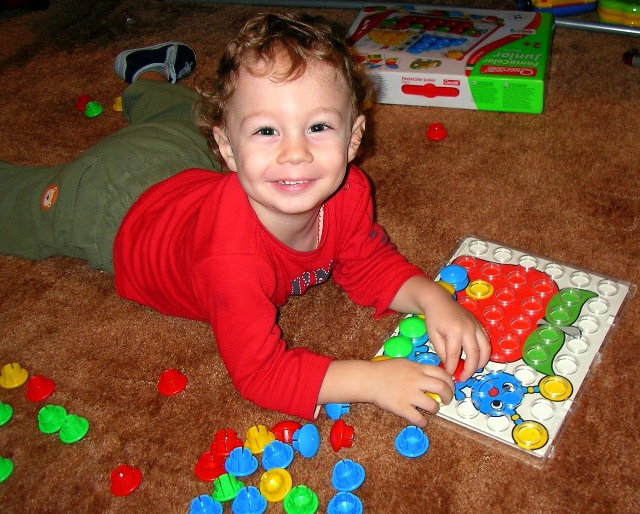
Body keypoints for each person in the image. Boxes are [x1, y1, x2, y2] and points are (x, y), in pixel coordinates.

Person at [0, 12, 490, 427]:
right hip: (106, 206)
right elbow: (260, 374)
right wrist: (370, 379)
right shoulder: (231, 260)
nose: (295, 153)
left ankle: (146, 77)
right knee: (17, 207)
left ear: (354, 138)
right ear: (228, 148)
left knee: (179, 116)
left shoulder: (349, 190)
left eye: (318, 126)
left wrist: (432, 298)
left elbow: (366, 262)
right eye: (267, 131)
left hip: (179, 158)